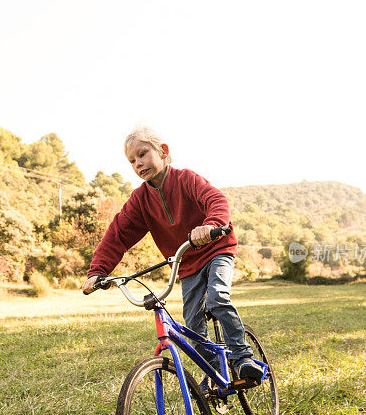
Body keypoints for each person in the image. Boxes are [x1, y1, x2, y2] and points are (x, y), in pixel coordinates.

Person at [82, 126, 263, 384]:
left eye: (143, 154)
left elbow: (216, 200)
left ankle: (242, 357)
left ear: (163, 152)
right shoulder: (140, 200)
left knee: (217, 298)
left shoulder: (185, 180)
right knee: (192, 326)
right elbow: (118, 233)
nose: (138, 163)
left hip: (216, 250)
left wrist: (210, 225)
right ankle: (218, 372)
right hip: (187, 265)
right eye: (132, 160)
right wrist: (98, 271)